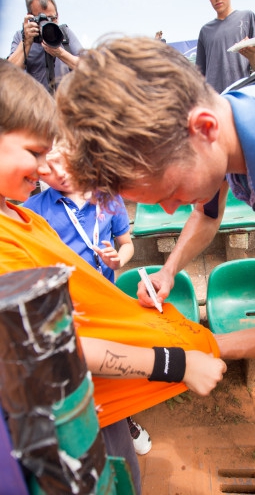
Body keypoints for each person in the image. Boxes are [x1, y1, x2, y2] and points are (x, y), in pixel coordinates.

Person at [55, 36, 255, 492]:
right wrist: (168, 272)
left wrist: (211, 345)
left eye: (167, 193)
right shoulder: (227, 118)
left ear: (202, 128)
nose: (167, 211)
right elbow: (206, 213)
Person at [0, 59, 226, 495]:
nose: (44, 167)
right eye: (34, 153)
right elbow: (54, 349)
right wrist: (176, 364)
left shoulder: (22, 216)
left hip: (95, 400)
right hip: (60, 421)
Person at [22, 143, 152, 456]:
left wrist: (118, 261)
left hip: (105, 301)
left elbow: (127, 244)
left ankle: (125, 420)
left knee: (115, 365)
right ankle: (88, 427)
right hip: (65, 308)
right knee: (79, 369)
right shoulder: (34, 208)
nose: (58, 175)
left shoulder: (107, 197)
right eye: (48, 169)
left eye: (64, 164)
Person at [8, 0, 82, 93]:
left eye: (52, 18)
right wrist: (26, 42)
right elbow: (8, 75)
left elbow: (88, 68)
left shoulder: (65, 34)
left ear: (58, 15)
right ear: (30, 17)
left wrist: (60, 53)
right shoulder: (20, 37)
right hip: (35, 106)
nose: (48, 23)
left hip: (64, 106)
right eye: (43, 19)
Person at [196, 0, 255, 94]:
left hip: (240, 93)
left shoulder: (247, 17)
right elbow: (200, 74)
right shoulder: (205, 31)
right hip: (215, 99)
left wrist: (252, 56)